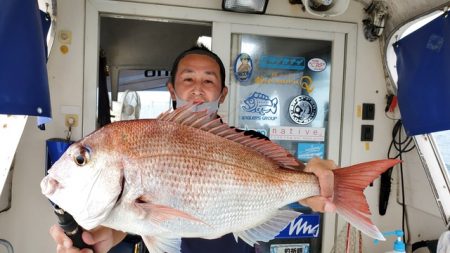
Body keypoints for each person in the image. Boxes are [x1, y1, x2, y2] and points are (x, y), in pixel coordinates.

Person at [50, 45, 337, 253]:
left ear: (223, 93)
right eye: (188, 79)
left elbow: (304, 185)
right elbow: (141, 217)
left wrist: (319, 179)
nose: (198, 89)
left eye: (209, 80)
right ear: (172, 90)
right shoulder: (146, 138)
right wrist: (108, 235)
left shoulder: (250, 142)